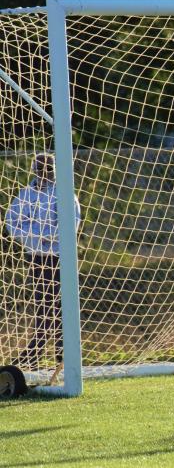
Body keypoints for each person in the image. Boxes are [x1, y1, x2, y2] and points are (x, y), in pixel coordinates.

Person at [5, 152, 81, 384]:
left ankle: (61, 352)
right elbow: (12, 223)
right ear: (34, 169)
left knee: (61, 304)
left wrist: (50, 237)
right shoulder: (26, 194)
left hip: (60, 256)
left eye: (48, 168)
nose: (44, 172)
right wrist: (37, 239)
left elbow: (71, 222)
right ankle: (37, 353)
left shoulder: (64, 193)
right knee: (43, 303)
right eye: (40, 168)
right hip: (37, 256)